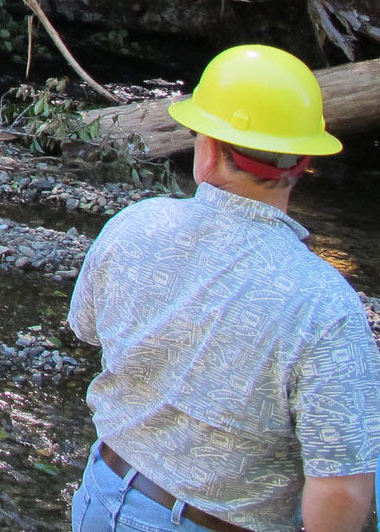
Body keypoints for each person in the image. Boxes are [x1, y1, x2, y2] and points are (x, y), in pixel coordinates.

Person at [68, 44, 380, 532]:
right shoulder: (326, 304)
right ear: (302, 163)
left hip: (104, 494)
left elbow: (87, 329)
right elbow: (341, 484)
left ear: (208, 150)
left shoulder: (134, 225)